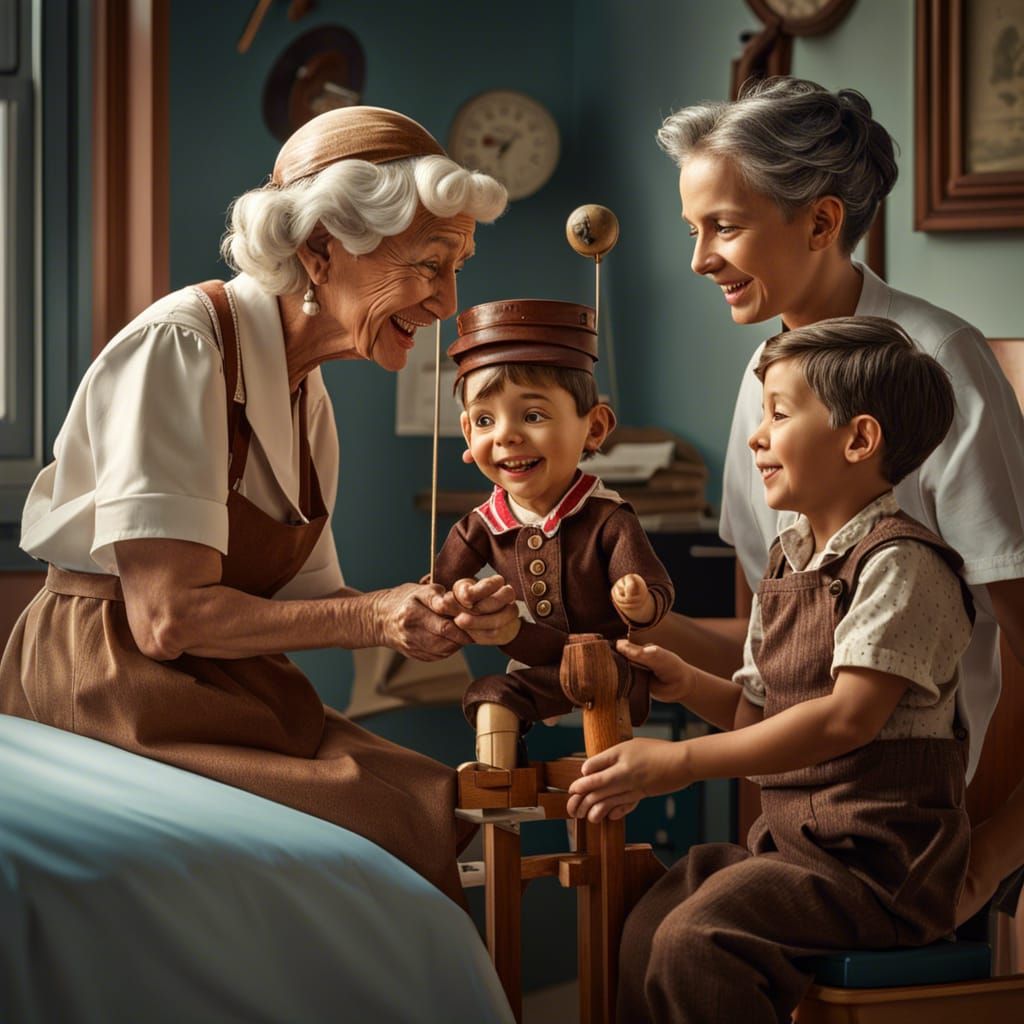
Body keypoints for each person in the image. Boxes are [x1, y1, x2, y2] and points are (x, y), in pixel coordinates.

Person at [0, 106, 521, 908]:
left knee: (428, 798)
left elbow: (313, 603)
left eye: (457, 268)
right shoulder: (183, 346)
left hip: (216, 686)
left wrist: (425, 616)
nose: (448, 301)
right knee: (381, 827)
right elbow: (166, 618)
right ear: (320, 249)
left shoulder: (306, 396)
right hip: (113, 686)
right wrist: (373, 617)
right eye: (429, 264)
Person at [636, 75, 1024, 924]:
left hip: (923, 824)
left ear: (819, 223)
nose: (699, 259)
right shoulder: (764, 375)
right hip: (802, 812)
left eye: (724, 227)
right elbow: (771, 645)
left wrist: (994, 851)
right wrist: (626, 622)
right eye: (694, 230)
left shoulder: (943, 361)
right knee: (649, 915)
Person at [568, 315, 976, 1022]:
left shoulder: (902, 565)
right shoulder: (788, 560)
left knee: (695, 944)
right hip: (790, 848)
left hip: (879, 868)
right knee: (644, 924)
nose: (756, 436)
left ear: (859, 440)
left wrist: (680, 761)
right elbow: (754, 715)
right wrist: (688, 684)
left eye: (779, 414)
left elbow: (845, 721)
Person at [431, 298, 675, 767]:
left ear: (594, 428)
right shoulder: (481, 524)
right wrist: (457, 598)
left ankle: (606, 777)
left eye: (533, 416)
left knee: (601, 712)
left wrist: (641, 602)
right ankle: (498, 780)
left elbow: (658, 589)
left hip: (608, 667)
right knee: (490, 695)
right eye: (485, 421)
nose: (506, 435)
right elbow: (439, 588)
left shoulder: (608, 518)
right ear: (467, 434)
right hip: (538, 665)